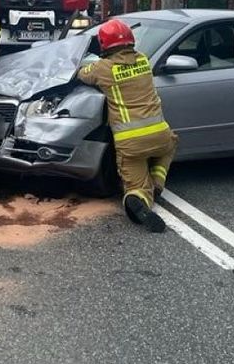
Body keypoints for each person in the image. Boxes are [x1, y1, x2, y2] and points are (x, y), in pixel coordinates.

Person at [76, 20, 178, 233]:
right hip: (160, 135)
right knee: (170, 144)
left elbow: (82, 74)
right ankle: (157, 183)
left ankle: (140, 198)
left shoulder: (105, 68)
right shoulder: (143, 61)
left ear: (105, 45)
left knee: (135, 189)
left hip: (131, 143)